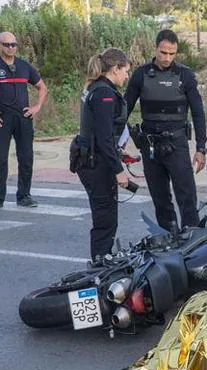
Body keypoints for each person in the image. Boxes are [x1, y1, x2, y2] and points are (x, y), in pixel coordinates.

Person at [125, 29, 207, 233]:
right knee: (160, 198)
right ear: (156, 48)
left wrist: (201, 148)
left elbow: (198, 113)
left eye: (172, 53)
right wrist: (114, 144)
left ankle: (191, 238)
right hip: (150, 145)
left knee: (187, 196)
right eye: (163, 53)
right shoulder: (141, 74)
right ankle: (169, 237)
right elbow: (123, 110)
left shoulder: (185, 75)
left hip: (177, 144)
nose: (167, 58)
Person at [69, 48, 132, 261]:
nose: (126, 76)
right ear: (115, 69)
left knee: (105, 218)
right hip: (96, 164)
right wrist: (118, 170)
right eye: (125, 71)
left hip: (93, 159)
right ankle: (100, 267)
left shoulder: (96, 87)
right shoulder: (104, 93)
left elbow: (100, 133)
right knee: (105, 220)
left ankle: (102, 260)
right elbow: (104, 137)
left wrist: (119, 152)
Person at [0, 31, 47, 208]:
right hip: (3, 119)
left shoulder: (24, 66)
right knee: (1, 160)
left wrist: (37, 107)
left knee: (26, 157)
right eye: (6, 44)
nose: (11, 48)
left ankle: (24, 196)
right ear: (0, 46)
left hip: (23, 117)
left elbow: (42, 88)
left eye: (13, 44)